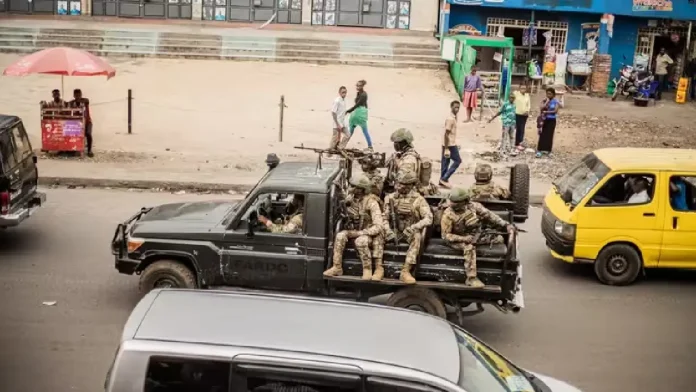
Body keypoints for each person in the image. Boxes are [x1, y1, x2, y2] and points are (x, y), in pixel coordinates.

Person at [440, 188, 514, 288]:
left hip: (473, 235)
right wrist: (464, 239)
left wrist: (505, 225)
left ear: (465, 201)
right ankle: (471, 278)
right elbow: (446, 236)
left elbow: (490, 215)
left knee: (499, 239)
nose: (453, 204)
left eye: (456, 202)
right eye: (452, 202)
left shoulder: (473, 206)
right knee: (469, 247)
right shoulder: (448, 214)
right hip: (455, 239)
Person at [324, 175, 385, 280]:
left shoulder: (371, 202)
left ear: (360, 189)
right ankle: (337, 267)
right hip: (353, 230)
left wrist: (360, 233)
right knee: (340, 236)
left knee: (360, 241)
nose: (350, 187)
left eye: (353, 186)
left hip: (366, 233)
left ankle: (367, 269)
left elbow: (379, 226)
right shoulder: (350, 198)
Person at [383, 171, 433, 284]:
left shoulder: (418, 200)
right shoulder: (390, 198)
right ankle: (377, 268)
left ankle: (406, 271)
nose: (398, 186)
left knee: (417, 237)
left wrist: (414, 227)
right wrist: (388, 230)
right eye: (398, 183)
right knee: (377, 235)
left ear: (410, 186)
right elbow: (384, 218)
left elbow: (428, 218)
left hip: (410, 231)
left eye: (402, 184)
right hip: (393, 231)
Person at [440, 100, 461, 189]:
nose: (457, 109)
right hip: (449, 144)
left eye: (458, 107)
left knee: (445, 163)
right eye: (455, 107)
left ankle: (442, 180)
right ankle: (445, 178)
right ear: (451, 107)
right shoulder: (450, 119)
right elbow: (446, 134)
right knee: (458, 161)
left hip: (448, 143)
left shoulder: (454, 118)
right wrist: (447, 148)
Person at [488, 93, 517, 158]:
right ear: (509, 98)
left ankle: (512, 149)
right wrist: (492, 118)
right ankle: (502, 150)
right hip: (506, 123)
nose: (512, 99)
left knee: (512, 137)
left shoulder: (514, 105)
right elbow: (499, 112)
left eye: (513, 98)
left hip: (512, 123)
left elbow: (514, 114)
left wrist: (515, 123)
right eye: (511, 98)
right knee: (504, 137)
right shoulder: (505, 104)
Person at [346, 80, 372, 149]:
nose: (358, 87)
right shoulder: (360, 93)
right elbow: (364, 104)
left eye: (359, 86)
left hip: (359, 114)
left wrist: (349, 110)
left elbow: (357, 105)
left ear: (362, 86)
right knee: (362, 130)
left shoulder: (363, 94)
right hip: (359, 113)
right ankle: (370, 146)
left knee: (353, 129)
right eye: (357, 85)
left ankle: (344, 143)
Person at [536, 88, 560, 158]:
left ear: (553, 94)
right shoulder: (544, 101)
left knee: (550, 135)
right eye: (547, 94)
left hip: (552, 120)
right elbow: (541, 108)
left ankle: (548, 150)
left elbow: (555, 111)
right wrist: (546, 102)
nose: (548, 95)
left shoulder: (556, 102)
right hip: (544, 120)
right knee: (542, 134)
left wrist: (547, 112)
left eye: (550, 94)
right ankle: (539, 150)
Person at [70, 89, 94, 157]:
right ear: (74, 95)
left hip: (87, 122)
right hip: (77, 124)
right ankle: (74, 149)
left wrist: (79, 101)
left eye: (79, 95)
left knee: (88, 134)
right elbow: (67, 104)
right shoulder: (72, 103)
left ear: (81, 95)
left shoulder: (85, 101)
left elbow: (87, 100)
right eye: (76, 95)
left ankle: (89, 150)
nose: (78, 97)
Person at [329, 86, 350, 150]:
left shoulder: (343, 100)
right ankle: (329, 153)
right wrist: (337, 124)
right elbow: (333, 113)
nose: (344, 94)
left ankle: (340, 147)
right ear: (339, 93)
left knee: (347, 135)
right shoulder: (337, 101)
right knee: (334, 139)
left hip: (343, 123)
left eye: (345, 92)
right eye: (343, 92)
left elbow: (341, 111)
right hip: (337, 123)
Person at [513, 84, 531, 151]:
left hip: (524, 115)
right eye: (522, 88)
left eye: (524, 88)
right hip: (517, 114)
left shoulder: (527, 95)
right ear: (519, 88)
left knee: (522, 129)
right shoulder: (516, 94)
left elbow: (528, 104)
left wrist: (527, 110)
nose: (523, 89)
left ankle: (520, 142)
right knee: (518, 129)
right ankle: (517, 143)